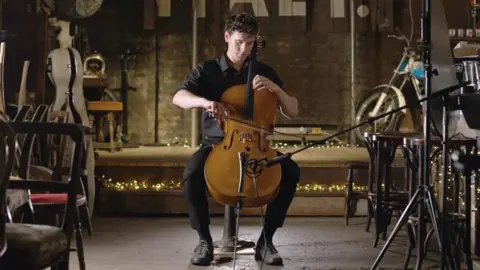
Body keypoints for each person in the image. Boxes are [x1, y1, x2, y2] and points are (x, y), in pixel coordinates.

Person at [172, 13, 300, 266]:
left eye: (251, 43)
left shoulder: (264, 72)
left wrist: (275, 89)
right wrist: (205, 102)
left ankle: (266, 241)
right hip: (217, 145)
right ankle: (204, 241)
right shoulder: (207, 70)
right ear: (227, 37)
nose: (245, 49)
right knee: (192, 172)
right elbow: (179, 97)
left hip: (258, 144)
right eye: (240, 42)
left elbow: (293, 109)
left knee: (290, 171)